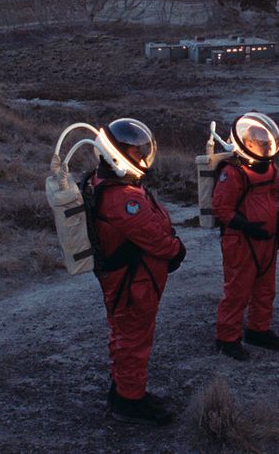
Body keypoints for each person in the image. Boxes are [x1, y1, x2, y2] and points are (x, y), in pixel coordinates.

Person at [89, 118, 186, 425]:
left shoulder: (109, 185)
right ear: (117, 152)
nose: (142, 156)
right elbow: (151, 235)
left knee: (125, 333)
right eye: (135, 150)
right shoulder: (122, 197)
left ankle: (123, 390)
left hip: (130, 278)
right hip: (133, 281)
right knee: (133, 337)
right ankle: (130, 401)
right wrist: (176, 249)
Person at [214, 112, 279, 361]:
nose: (266, 145)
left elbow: (272, 199)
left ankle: (259, 330)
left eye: (267, 142)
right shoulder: (233, 172)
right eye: (261, 142)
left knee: (265, 289)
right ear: (246, 144)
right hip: (241, 241)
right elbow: (222, 209)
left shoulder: (270, 167)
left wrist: (277, 228)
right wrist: (247, 227)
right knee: (237, 291)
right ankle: (227, 338)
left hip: (265, 239)